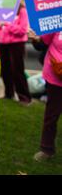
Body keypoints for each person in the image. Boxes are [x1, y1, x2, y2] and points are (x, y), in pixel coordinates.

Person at [29, 30, 62, 161]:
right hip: (55, 78)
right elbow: (42, 44)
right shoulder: (56, 20)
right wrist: (34, 38)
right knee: (51, 115)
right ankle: (46, 149)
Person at [0, 0, 32, 105]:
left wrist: (6, 24)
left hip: (17, 44)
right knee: (5, 70)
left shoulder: (22, 11)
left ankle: (24, 97)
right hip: (2, 43)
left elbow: (22, 30)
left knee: (18, 70)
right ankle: (8, 94)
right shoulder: (3, 8)